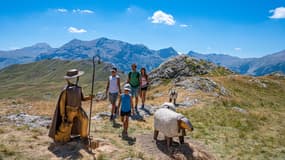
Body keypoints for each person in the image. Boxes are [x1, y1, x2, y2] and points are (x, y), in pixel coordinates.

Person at [48, 69, 93, 144]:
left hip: (78, 109)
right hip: (69, 110)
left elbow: (82, 98)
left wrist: (89, 97)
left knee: (85, 119)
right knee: (68, 125)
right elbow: (62, 103)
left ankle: (84, 136)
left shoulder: (79, 88)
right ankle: (64, 138)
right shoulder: (66, 90)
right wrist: (63, 115)